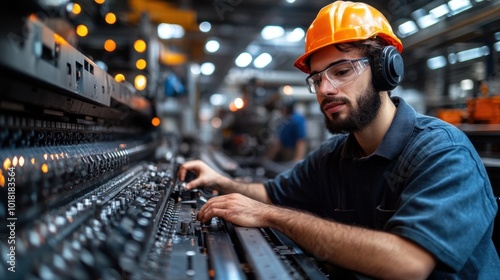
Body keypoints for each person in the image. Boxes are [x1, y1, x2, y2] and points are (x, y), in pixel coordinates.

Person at [178, 1, 499, 278]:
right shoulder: (335, 155)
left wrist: (272, 216)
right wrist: (219, 180)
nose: (325, 89)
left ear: (386, 70)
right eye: (316, 78)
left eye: (342, 71)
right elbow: (269, 193)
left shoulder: (442, 151)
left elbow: (408, 264)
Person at [266, 99, 308, 163]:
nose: (280, 110)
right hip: (283, 150)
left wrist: (297, 159)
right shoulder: (284, 119)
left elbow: (301, 141)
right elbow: (278, 140)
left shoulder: (297, 119)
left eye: (282, 108)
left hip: (292, 152)